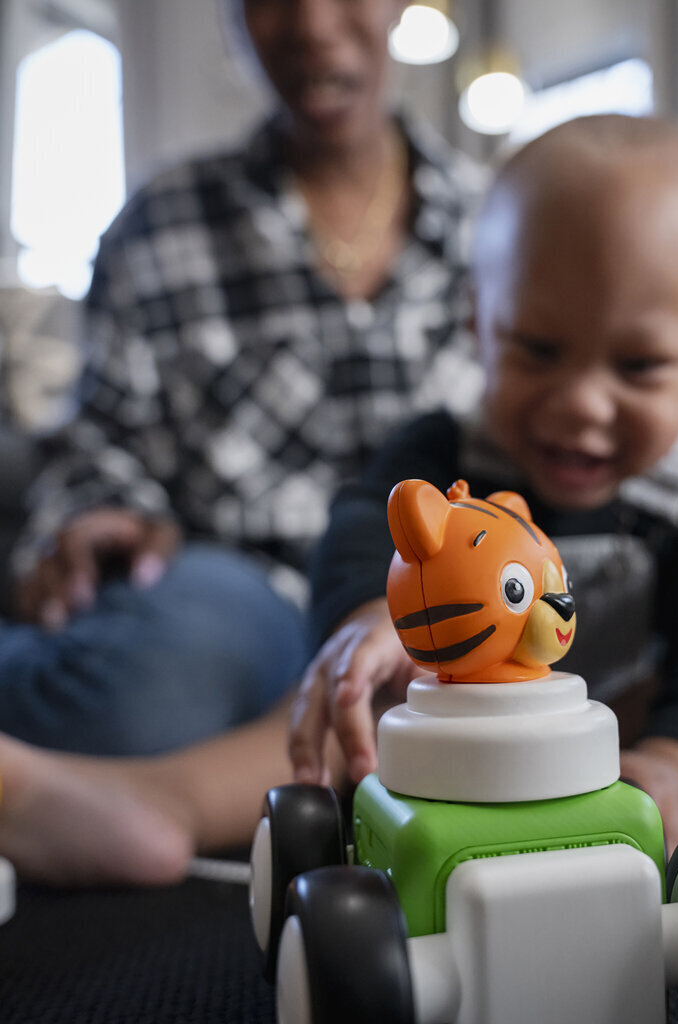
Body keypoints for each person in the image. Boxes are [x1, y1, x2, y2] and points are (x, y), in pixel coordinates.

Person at [0, 114, 678, 901]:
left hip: (627, 735)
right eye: (538, 351)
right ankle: (156, 804)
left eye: (638, 367)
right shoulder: (441, 456)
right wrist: (376, 618)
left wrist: (677, 763)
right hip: (453, 734)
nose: (582, 403)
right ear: (478, 323)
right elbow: (352, 534)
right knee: (332, 716)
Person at [0, 0, 484, 755]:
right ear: (234, 22)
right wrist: (103, 511)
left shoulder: (496, 226)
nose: (313, 24)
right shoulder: (160, 227)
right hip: (248, 594)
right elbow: (99, 441)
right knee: (143, 687)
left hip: (458, 593)